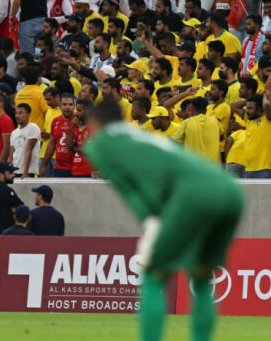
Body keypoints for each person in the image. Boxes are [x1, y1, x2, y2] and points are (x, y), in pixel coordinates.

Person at [82, 100, 243, 341]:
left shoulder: (100, 145)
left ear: (95, 123)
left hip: (190, 195)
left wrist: (153, 221)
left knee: (153, 274)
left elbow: (132, 194)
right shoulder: (139, 135)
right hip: (229, 189)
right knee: (201, 277)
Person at [0, 161, 23, 235]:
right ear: (1, 174)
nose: (13, 175)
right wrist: (14, 210)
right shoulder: (6, 190)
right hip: (9, 234)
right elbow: (21, 208)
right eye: (10, 172)